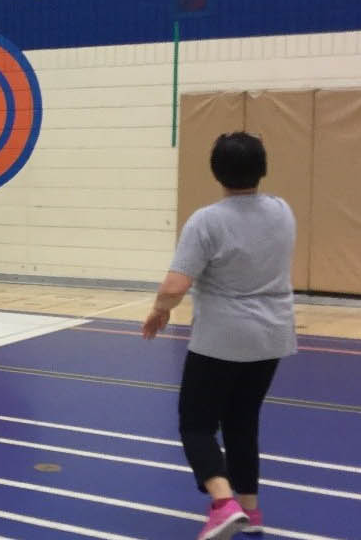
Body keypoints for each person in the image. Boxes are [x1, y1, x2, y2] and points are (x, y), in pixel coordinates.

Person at [142, 131, 297, 540]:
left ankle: (223, 502)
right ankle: (251, 511)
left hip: (222, 339)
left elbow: (175, 286)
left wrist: (159, 311)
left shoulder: (208, 220)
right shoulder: (283, 211)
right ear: (262, 168)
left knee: (195, 425)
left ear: (216, 171)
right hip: (272, 337)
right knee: (242, 422)